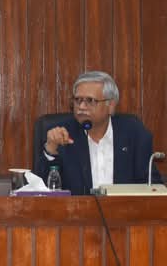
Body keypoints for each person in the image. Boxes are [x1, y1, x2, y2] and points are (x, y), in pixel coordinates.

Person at [34, 71, 163, 195]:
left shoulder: (134, 133)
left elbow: (152, 185)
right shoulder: (61, 134)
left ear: (110, 105)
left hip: (124, 209)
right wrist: (51, 149)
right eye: (78, 100)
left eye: (90, 100)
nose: (81, 106)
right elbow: (39, 190)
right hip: (77, 209)